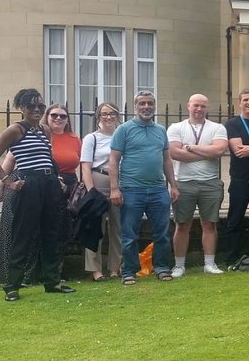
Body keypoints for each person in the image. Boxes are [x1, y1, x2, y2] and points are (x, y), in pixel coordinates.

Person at [0, 89, 75, 301]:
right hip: (29, 184)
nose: (37, 109)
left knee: (51, 233)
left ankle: (52, 282)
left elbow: (47, 158)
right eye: (31, 106)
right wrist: (8, 182)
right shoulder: (15, 130)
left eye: (40, 106)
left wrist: (58, 179)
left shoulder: (45, 131)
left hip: (50, 184)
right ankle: (12, 286)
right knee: (22, 234)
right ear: (22, 108)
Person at [109, 90, 177, 285]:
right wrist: (115, 189)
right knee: (129, 234)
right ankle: (129, 271)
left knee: (162, 233)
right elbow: (113, 160)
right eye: (142, 103)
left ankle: (162, 268)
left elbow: (167, 160)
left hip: (158, 190)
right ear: (135, 107)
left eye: (150, 103)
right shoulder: (124, 130)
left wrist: (173, 185)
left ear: (154, 106)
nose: (146, 107)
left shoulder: (161, 130)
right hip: (131, 190)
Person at [167, 94, 229, 277]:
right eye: (196, 105)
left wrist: (190, 147)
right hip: (183, 182)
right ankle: (179, 266)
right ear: (188, 106)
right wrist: (206, 152)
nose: (199, 109)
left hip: (210, 182)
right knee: (182, 225)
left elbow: (219, 150)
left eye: (202, 106)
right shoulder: (176, 127)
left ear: (207, 108)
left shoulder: (217, 127)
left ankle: (209, 264)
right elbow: (174, 154)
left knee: (209, 224)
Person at [80, 102, 123, 281]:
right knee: (95, 228)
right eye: (104, 114)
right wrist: (91, 192)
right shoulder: (92, 138)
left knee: (118, 227)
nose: (108, 117)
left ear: (117, 116)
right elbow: (85, 167)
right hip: (98, 180)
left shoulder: (122, 136)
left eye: (112, 114)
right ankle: (95, 270)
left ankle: (115, 268)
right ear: (98, 117)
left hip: (119, 181)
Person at [224, 88, 249, 269]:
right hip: (240, 177)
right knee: (235, 218)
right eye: (245, 100)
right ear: (239, 103)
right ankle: (232, 258)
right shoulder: (232, 124)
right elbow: (238, 151)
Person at [44, 103, 81, 262]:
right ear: (47, 117)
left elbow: (81, 163)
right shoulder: (40, 135)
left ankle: (57, 269)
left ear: (67, 119)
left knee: (64, 227)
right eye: (54, 115)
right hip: (47, 183)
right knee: (46, 225)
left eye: (63, 116)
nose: (58, 118)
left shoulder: (75, 139)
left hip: (70, 184)